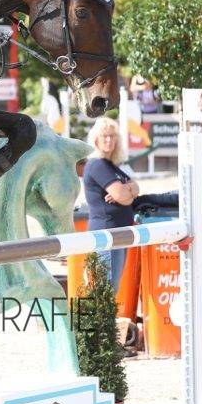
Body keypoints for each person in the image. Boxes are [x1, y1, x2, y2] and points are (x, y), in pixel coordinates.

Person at [82, 117, 139, 292]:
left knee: (111, 289)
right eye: (104, 136)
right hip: (106, 235)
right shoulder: (97, 165)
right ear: (96, 139)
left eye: (112, 136)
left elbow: (135, 188)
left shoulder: (111, 166)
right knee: (104, 290)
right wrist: (125, 192)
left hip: (118, 234)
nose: (108, 140)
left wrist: (127, 191)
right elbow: (122, 195)